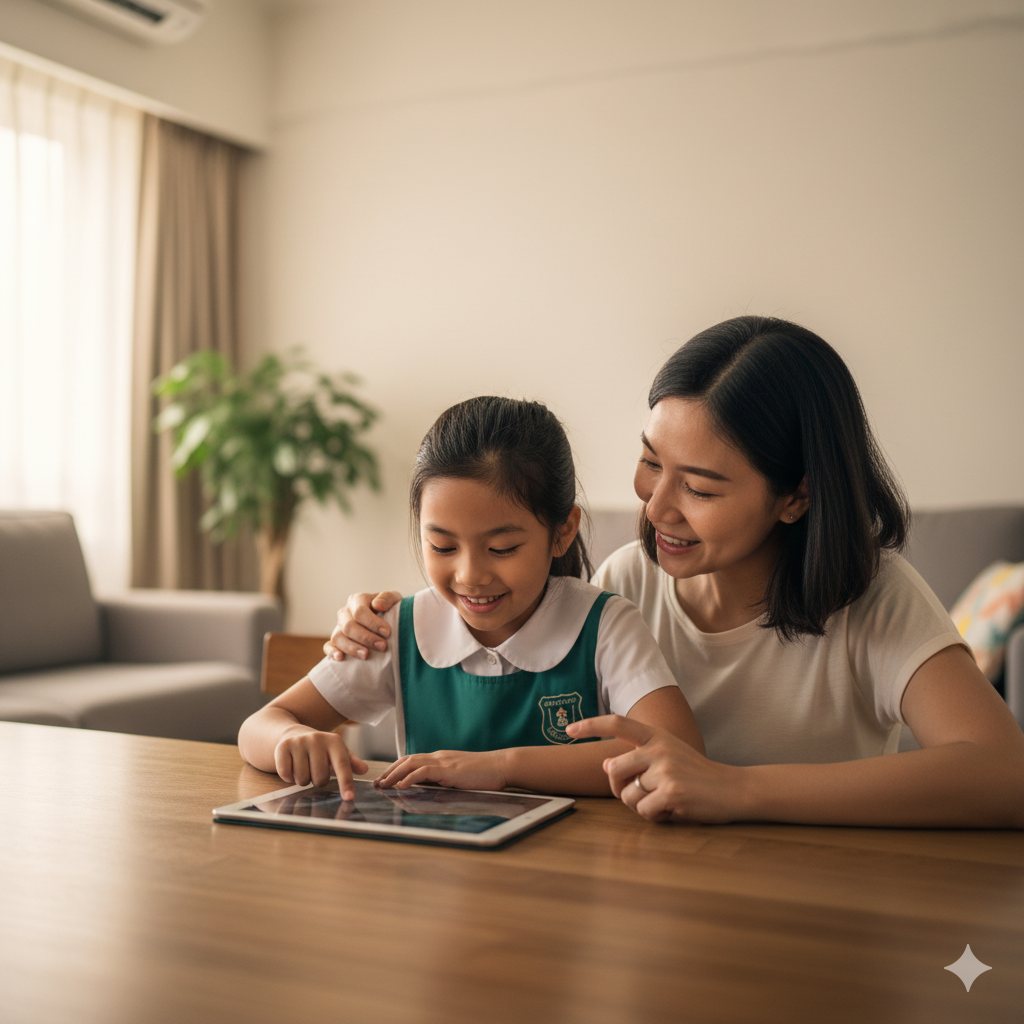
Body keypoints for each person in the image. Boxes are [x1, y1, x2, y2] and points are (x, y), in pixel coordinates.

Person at [327, 317, 1024, 828]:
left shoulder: (872, 597)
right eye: (650, 462)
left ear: (796, 496)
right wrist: (382, 619)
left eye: (700, 487)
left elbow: (1005, 775)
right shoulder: (629, 580)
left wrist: (736, 789)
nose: (656, 507)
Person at [238, 396, 702, 800]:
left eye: (502, 548)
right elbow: (260, 725)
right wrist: (291, 738)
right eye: (442, 547)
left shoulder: (604, 625)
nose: (470, 576)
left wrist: (502, 767)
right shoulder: (399, 629)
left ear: (563, 531)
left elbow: (677, 751)